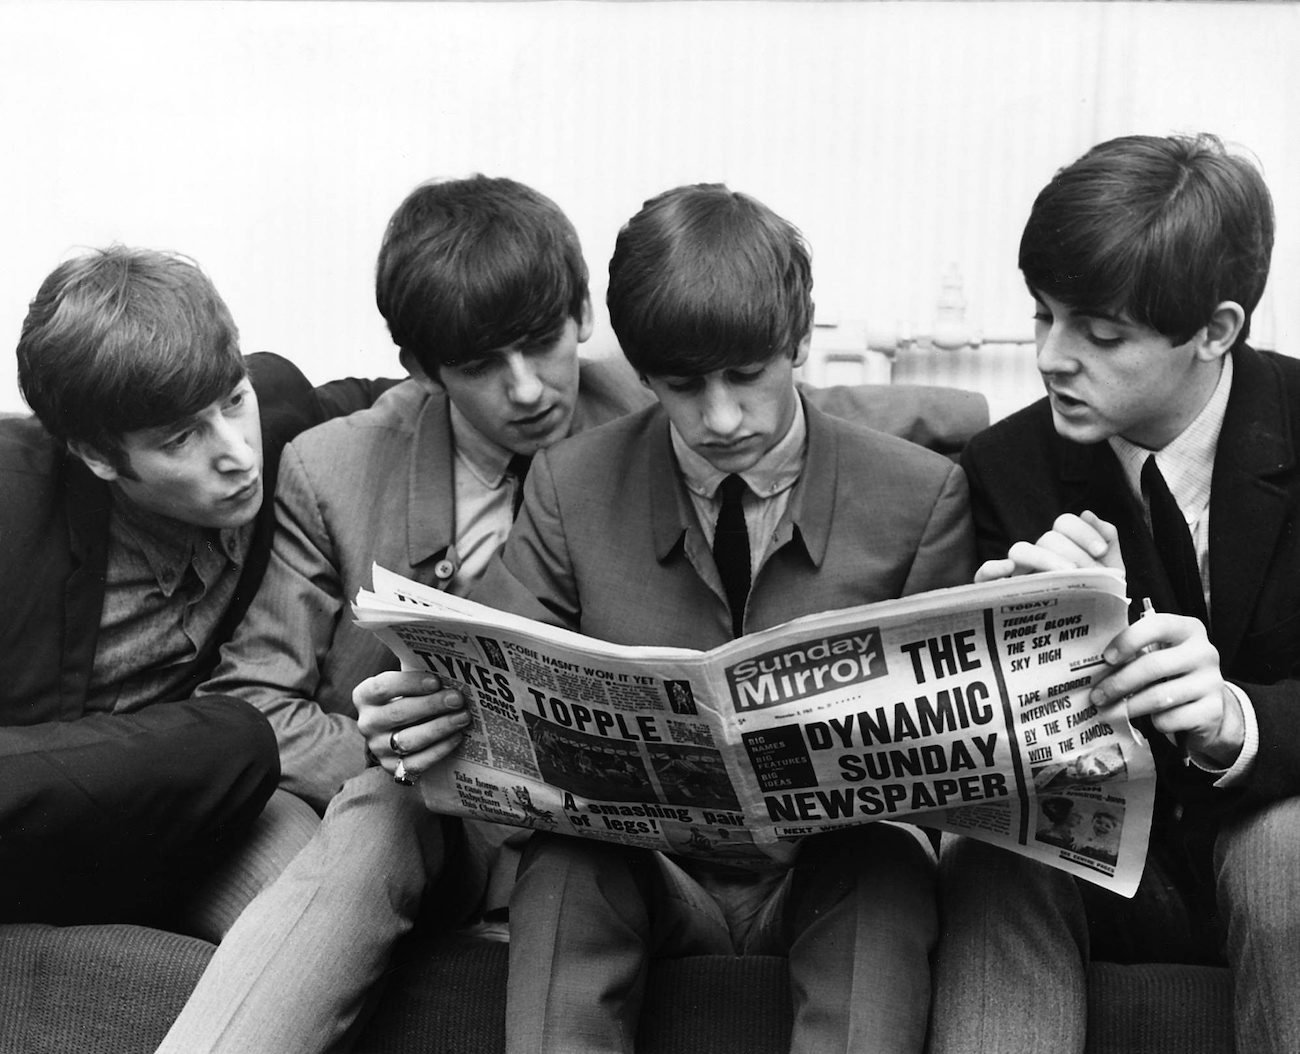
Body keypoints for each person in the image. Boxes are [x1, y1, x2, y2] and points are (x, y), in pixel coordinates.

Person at [457, 183, 975, 1054]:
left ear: (800, 342)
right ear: (641, 370)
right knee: (564, 861)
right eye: (683, 385)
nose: (721, 417)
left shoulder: (922, 495)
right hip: (651, 877)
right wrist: (436, 720)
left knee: (884, 862)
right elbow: (493, 707)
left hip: (826, 877)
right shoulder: (568, 486)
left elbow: (957, 773)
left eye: (747, 374)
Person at [156, 175, 652, 1054]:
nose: (528, 389)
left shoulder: (666, 427)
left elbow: (822, 429)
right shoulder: (334, 467)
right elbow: (256, 702)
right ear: (422, 371)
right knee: (384, 813)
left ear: (582, 313)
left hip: (617, 844)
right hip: (430, 827)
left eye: (543, 345)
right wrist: (423, 758)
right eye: (479, 368)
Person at [929, 133, 1299, 1054]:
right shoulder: (1004, 467)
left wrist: (1236, 721)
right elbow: (969, 761)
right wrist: (1015, 652)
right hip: (1097, 852)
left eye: (1098, 334)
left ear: (1216, 330)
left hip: (1273, 834)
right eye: (1042, 316)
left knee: (1286, 849)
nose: (1053, 357)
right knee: (993, 851)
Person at [0, 246, 386, 937]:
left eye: (234, 402)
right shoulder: (12, 503)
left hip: (179, 819)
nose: (238, 454)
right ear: (97, 457)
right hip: (33, 820)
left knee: (292, 843)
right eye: (181, 440)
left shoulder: (283, 414)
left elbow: (403, 401)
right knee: (234, 736)